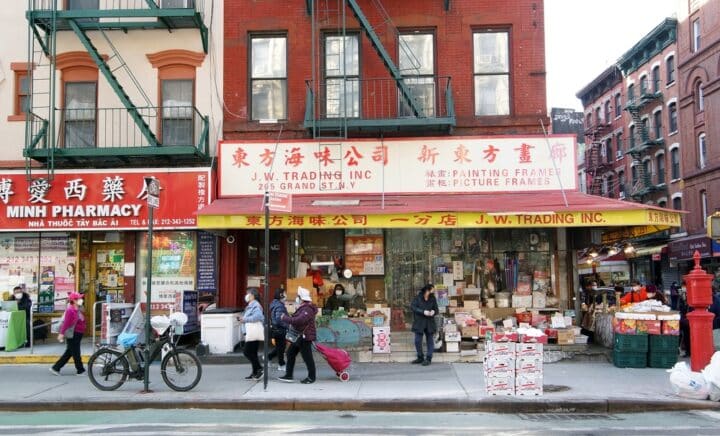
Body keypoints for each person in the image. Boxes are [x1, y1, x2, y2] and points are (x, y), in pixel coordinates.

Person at [278, 286, 318, 384]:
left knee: (307, 358)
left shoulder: (307, 309)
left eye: (298, 296)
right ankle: (288, 375)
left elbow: (299, 320)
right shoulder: (303, 308)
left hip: (304, 337)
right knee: (290, 353)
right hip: (299, 336)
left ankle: (311, 377)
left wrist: (285, 318)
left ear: (301, 298)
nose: (297, 298)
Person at [50, 292, 86, 376]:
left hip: (78, 333)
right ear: (73, 300)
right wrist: (61, 334)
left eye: (81, 298)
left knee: (69, 352)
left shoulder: (79, 308)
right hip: (73, 333)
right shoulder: (70, 310)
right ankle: (80, 370)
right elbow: (66, 323)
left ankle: (55, 368)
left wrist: (79, 306)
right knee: (76, 352)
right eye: (78, 299)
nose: (81, 300)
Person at [410, 284, 439, 366]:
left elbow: (436, 309)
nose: (433, 291)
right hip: (419, 321)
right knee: (417, 340)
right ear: (427, 290)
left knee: (430, 340)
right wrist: (423, 312)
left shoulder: (432, 298)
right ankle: (420, 357)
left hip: (429, 321)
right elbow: (413, 307)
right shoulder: (418, 297)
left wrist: (433, 311)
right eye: (432, 289)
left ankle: (429, 358)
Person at [241, 288, 265, 380]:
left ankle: (259, 368)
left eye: (248, 294)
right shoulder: (251, 304)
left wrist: (245, 319)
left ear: (253, 296)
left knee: (247, 352)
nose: (246, 296)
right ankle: (255, 372)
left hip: (253, 332)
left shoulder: (255, 304)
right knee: (253, 353)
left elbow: (259, 316)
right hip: (251, 332)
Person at [268, 288, 289, 371]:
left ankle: (268, 357)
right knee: (281, 348)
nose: (286, 295)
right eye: (285, 293)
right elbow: (279, 319)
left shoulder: (275, 304)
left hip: (276, 329)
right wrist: (287, 325)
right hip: (280, 330)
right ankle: (281, 364)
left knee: (279, 348)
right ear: (281, 295)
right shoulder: (280, 305)